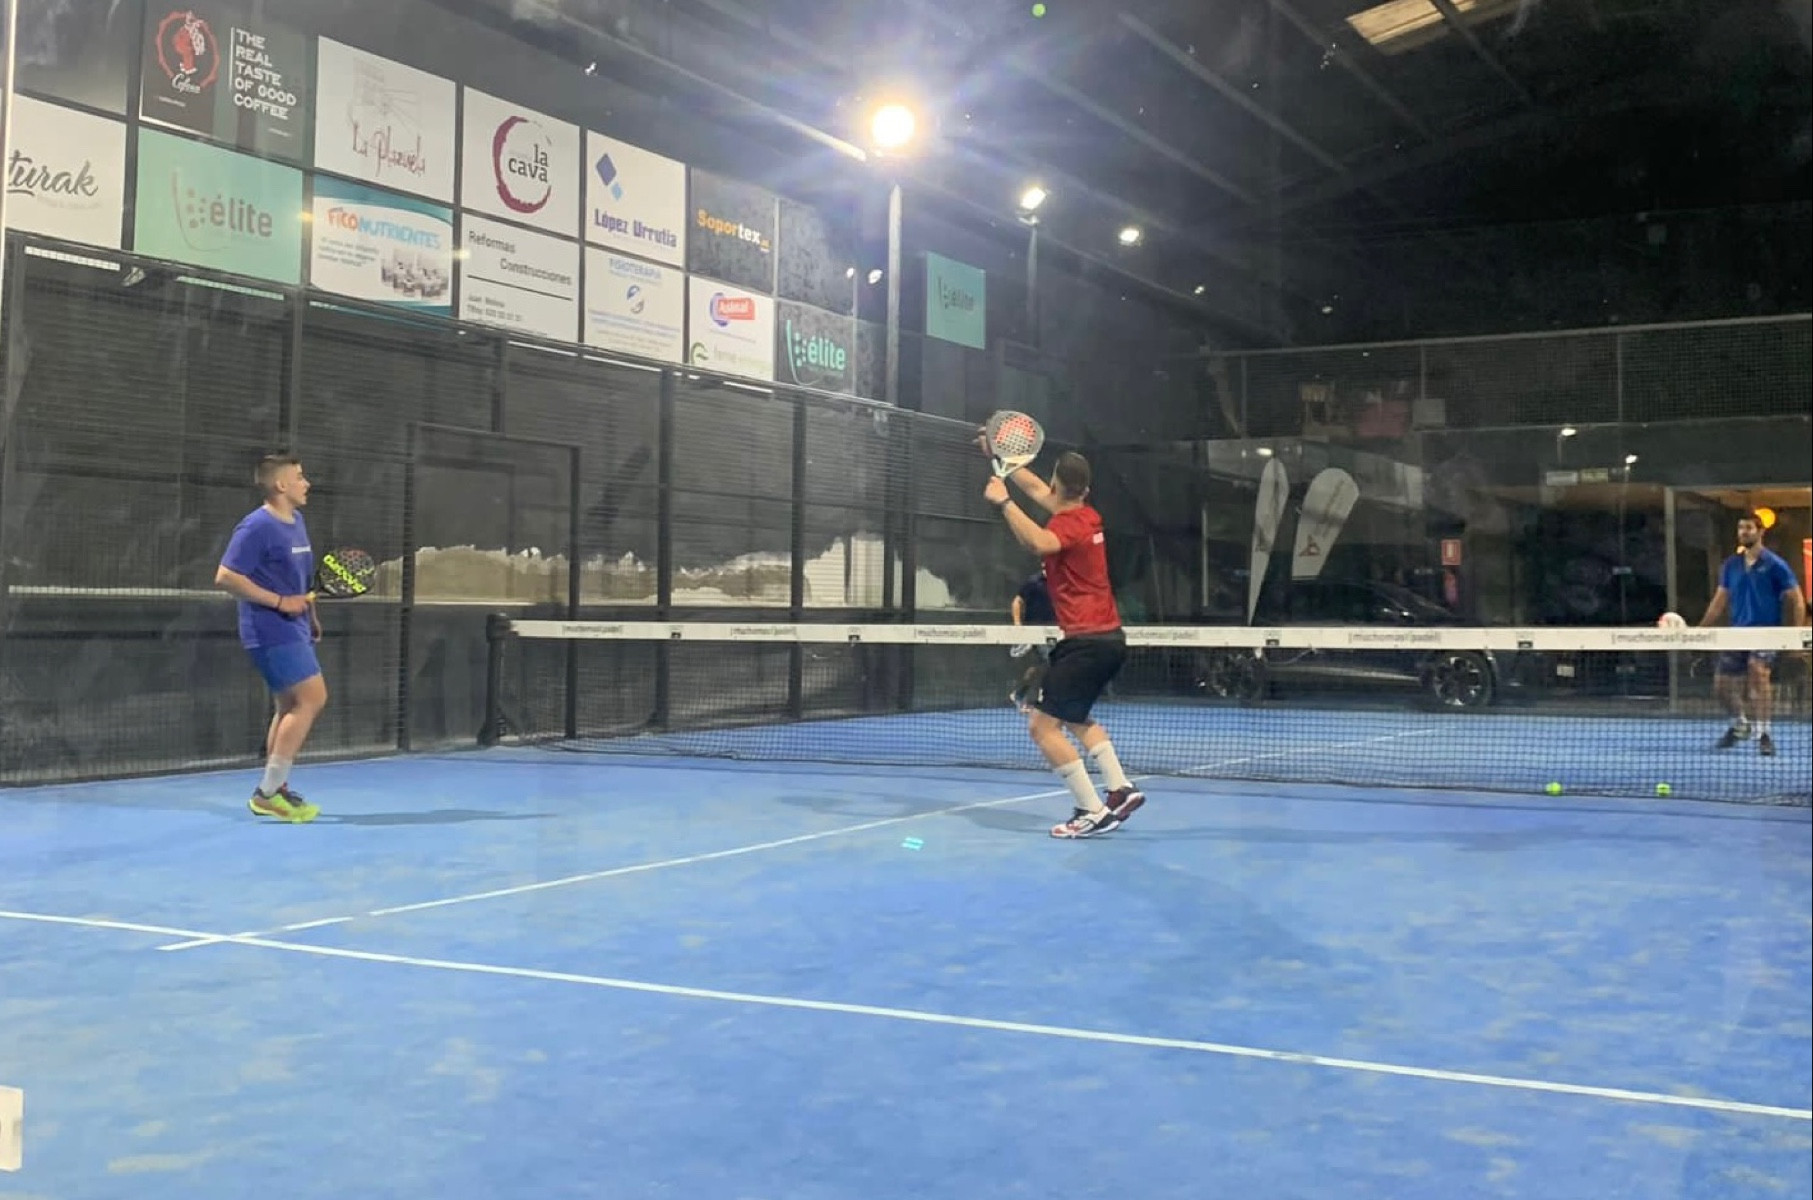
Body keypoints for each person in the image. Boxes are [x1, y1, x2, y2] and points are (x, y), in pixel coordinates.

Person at [983, 442, 1145, 838]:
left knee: (1042, 728)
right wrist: (1002, 458)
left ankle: (1092, 811)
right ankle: (1120, 789)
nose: (1045, 489)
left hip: (1085, 644)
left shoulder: (1066, 527)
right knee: (1074, 717)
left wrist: (1004, 502)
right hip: (1109, 641)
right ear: (1084, 490)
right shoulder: (1087, 515)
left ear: (1058, 485)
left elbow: (1038, 543)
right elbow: (1037, 490)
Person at [214, 454, 326, 822]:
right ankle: (267, 793)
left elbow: (300, 580)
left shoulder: (297, 522)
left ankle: (275, 788)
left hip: (294, 627)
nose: (306, 483)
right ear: (280, 485)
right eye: (299, 477)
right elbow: (226, 576)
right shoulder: (256, 527)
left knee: (288, 705)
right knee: (312, 697)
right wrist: (279, 602)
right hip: (268, 629)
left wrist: (310, 614)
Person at [1698, 510, 1805, 758]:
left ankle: (1763, 733)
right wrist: (1699, 633)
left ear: (1760, 532)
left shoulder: (1776, 565)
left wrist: (1796, 636)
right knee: (1721, 686)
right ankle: (1740, 724)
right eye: (1740, 528)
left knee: (1758, 672)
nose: (1743, 532)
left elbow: (1797, 600)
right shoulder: (1730, 565)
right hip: (1737, 633)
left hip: (1766, 633)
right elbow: (1719, 601)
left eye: (1748, 528)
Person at [1007, 567, 1053, 713]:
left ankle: (1019, 693)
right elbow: (1017, 602)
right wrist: (1017, 625)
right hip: (1034, 630)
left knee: (1041, 665)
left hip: (1054, 630)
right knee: (1048, 661)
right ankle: (1039, 700)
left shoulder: (1060, 581)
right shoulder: (1033, 582)